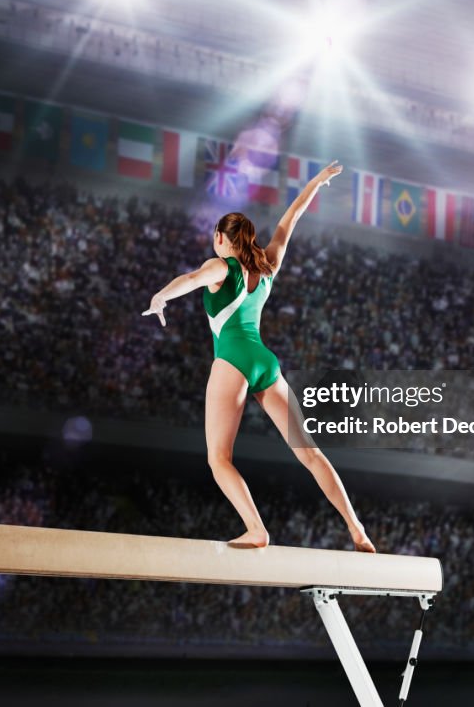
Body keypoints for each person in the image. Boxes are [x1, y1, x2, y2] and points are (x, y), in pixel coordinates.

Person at [143, 160, 376, 552]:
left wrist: (161, 296)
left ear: (221, 236)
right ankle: (356, 528)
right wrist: (316, 182)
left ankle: (256, 530)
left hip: (231, 359)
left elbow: (191, 280)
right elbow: (290, 219)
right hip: (265, 361)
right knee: (310, 452)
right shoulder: (266, 265)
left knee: (219, 459)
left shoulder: (219, 265)